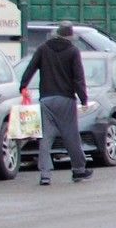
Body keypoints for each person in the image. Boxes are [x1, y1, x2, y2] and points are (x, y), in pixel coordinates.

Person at [18, 22, 91, 185]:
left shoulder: (43, 49)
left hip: (46, 99)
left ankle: (45, 174)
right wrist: (83, 98)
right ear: (70, 37)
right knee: (71, 136)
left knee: (45, 138)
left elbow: (30, 68)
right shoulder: (73, 51)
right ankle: (79, 170)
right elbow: (78, 78)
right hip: (66, 99)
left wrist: (23, 86)